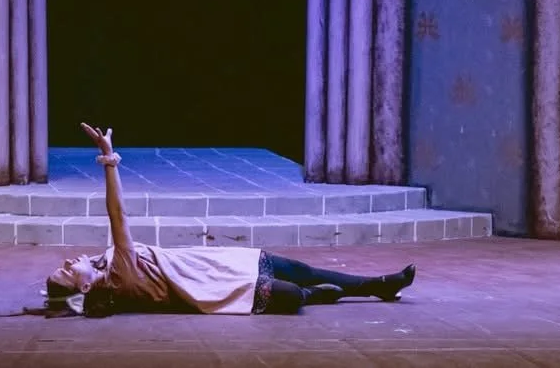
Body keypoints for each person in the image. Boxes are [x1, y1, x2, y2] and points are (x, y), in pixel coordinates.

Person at [44, 123, 418, 317]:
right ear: (86, 287)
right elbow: (118, 215)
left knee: (301, 269)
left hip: (217, 264)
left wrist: (60, 299)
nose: (68, 261)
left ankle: (378, 285)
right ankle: (315, 295)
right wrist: (109, 158)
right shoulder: (119, 273)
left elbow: (69, 296)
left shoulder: (107, 267)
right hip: (214, 287)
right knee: (293, 295)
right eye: (66, 271)